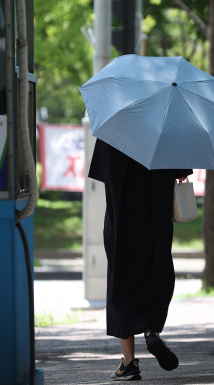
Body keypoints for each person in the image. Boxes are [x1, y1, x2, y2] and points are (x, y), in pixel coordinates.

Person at [88, 139, 193, 381]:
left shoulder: (111, 126)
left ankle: (129, 362)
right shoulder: (165, 126)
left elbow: (102, 173)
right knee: (156, 269)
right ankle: (151, 330)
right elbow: (180, 176)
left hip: (122, 219)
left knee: (121, 278)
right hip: (157, 219)